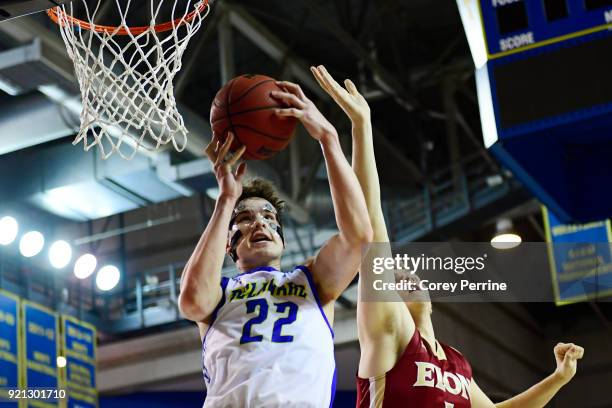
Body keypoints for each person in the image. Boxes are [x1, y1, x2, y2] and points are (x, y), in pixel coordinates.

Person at [310, 65, 585, 408]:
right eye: (393, 280)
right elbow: (372, 231)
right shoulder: (390, 331)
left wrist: (558, 377)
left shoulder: (455, 362)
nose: (404, 276)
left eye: (408, 274)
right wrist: (361, 128)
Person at [178, 74, 373, 407]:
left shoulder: (311, 281)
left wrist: (328, 137)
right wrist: (227, 199)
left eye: (269, 217)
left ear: (282, 236)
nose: (260, 223)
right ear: (229, 244)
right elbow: (191, 301)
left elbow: (358, 236)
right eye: (245, 218)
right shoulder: (220, 294)